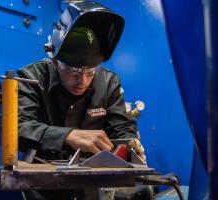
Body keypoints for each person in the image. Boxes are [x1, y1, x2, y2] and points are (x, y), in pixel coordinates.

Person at [17, 2, 146, 199]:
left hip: (94, 184)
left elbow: (122, 129)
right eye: (74, 71)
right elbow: (18, 128)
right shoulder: (30, 78)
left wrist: (130, 145)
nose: (82, 81)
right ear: (55, 62)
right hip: (43, 187)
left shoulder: (109, 81)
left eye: (90, 71)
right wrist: (68, 135)